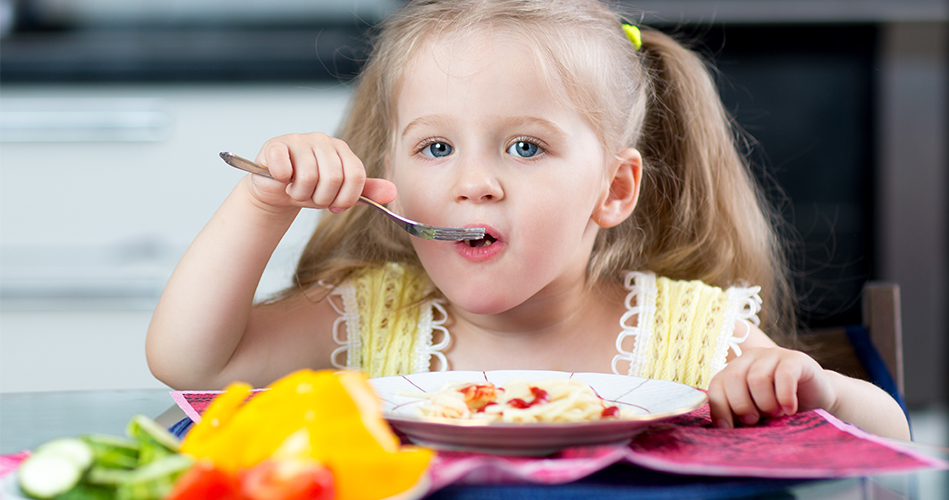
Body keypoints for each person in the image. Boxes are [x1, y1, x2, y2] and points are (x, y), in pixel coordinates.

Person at [146, 0, 910, 440]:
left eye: (524, 146)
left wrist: (818, 391)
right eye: (436, 146)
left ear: (612, 189)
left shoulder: (685, 333)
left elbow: (887, 434)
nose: (473, 182)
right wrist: (262, 203)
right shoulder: (372, 317)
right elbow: (192, 364)